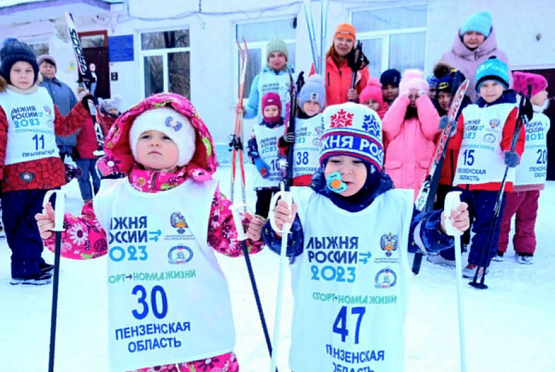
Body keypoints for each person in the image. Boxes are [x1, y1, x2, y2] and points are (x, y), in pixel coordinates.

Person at [36, 92, 266, 371]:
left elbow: (228, 235)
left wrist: (250, 232)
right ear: (132, 145)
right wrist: (59, 230)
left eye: (167, 137)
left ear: (185, 148)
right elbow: (90, 237)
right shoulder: (112, 197)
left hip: (201, 327)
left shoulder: (203, 195)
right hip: (142, 336)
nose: (155, 141)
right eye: (146, 136)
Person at [262, 102, 470, 372]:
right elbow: (286, 245)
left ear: (373, 167)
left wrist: (443, 226)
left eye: (357, 162)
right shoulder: (306, 203)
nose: (344, 170)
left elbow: (419, 235)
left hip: (374, 340)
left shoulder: (393, 206)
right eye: (335, 161)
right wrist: (280, 227)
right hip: (318, 337)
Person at [0, 38, 89, 285]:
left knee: (40, 217)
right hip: (17, 172)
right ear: (6, 72)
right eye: (16, 70)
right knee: (20, 221)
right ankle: (24, 267)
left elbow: (63, 127)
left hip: (48, 169)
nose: (23, 75)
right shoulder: (2, 99)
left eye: (28, 70)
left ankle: (32, 260)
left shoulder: (42, 95)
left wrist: (82, 106)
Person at [445, 57, 525, 278]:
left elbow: (514, 139)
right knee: (457, 218)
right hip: (465, 177)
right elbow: (454, 142)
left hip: (492, 179)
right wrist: (448, 129)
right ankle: (451, 253)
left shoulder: (510, 110)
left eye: (495, 84)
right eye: (484, 85)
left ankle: (478, 262)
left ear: (504, 85)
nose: (489, 90)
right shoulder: (468, 111)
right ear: (478, 87)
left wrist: (513, 154)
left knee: (486, 223)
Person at [497, 71, 549, 264]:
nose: (546, 95)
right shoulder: (517, 116)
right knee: (505, 215)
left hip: (535, 180)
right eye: (542, 90)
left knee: (528, 216)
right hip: (517, 179)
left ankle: (525, 248)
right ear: (529, 92)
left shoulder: (544, 120)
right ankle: (498, 247)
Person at [382, 69, 441, 199]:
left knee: (420, 216)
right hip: (397, 180)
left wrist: (423, 101)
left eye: (417, 96)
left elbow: (432, 129)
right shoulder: (397, 117)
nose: (413, 100)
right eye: (410, 96)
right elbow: (388, 127)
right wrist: (403, 100)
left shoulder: (427, 117)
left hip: (421, 179)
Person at [440, 11, 511, 102]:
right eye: (469, 33)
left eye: (478, 34)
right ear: (462, 35)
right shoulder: (447, 58)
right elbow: (438, 86)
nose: (473, 37)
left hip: (490, 109)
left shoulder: (499, 56)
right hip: (459, 112)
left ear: (487, 36)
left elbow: (507, 84)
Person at [282, 74, 326, 187]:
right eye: (308, 102)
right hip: (297, 176)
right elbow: (282, 149)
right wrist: (284, 140)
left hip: (318, 176)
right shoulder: (294, 122)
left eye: (316, 103)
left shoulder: (323, 120)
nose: (311, 106)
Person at [310, 24, 370, 105]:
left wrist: (357, 98)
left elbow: (368, 96)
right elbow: (309, 93)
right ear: (334, 40)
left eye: (348, 40)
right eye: (340, 39)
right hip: (326, 115)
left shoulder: (360, 68)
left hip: (350, 115)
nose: (344, 43)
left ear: (353, 44)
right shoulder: (320, 65)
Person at [247, 92, 286, 218]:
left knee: (279, 208)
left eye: (274, 109)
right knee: (261, 207)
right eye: (267, 109)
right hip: (263, 178)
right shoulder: (258, 129)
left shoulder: (286, 127)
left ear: (279, 110)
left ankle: (277, 232)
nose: (271, 112)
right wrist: (257, 161)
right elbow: (251, 147)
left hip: (280, 177)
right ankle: (258, 231)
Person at [38, 54, 81, 162]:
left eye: (51, 66)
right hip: (42, 142)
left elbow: (75, 110)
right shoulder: (34, 87)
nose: (48, 68)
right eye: (45, 66)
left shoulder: (65, 88)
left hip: (65, 141)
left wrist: (75, 132)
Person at [243, 39, 292, 122]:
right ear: (268, 59)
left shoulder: (293, 78)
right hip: (265, 130)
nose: (276, 59)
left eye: (280, 55)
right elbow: (252, 108)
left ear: (286, 58)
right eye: (272, 56)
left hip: (287, 130)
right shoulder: (259, 79)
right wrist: (243, 111)